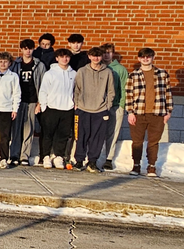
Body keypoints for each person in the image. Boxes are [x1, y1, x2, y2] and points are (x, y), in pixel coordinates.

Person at [125, 48, 173, 177]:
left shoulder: (162, 74)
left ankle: (151, 167)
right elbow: (128, 95)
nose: (145, 59)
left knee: (153, 142)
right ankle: (136, 166)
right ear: (139, 58)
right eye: (143, 57)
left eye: (148, 57)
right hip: (138, 113)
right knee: (137, 142)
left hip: (157, 113)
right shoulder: (133, 75)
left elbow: (168, 93)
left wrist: (169, 111)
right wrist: (130, 112)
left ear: (153, 58)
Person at [73, 47, 115, 173]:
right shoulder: (82, 71)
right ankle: (79, 161)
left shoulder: (107, 72)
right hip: (83, 109)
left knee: (97, 138)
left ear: (101, 57)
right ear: (89, 57)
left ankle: (92, 162)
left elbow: (111, 91)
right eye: (93, 56)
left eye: (98, 56)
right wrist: (77, 103)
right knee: (81, 136)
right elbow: (77, 89)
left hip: (100, 111)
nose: (96, 58)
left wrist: (107, 106)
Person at [36, 48, 76, 169]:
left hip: (67, 109)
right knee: (47, 134)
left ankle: (59, 156)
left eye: (67, 57)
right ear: (57, 58)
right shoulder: (50, 73)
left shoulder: (74, 74)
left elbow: (76, 90)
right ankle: (45, 156)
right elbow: (43, 91)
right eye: (62, 57)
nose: (65, 59)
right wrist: (43, 106)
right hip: (51, 108)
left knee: (63, 135)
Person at [9, 39, 46, 165]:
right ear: (21, 49)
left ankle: (24, 155)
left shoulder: (39, 65)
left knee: (28, 129)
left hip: (32, 100)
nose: (27, 51)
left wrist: (40, 103)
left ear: (33, 49)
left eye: (30, 48)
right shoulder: (15, 64)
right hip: (18, 101)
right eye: (25, 48)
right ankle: (14, 154)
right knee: (16, 129)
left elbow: (43, 85)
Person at [101, 43, 129, 170]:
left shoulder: (120, 69)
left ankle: (109, 158)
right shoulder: (97, 66)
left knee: (113, 132)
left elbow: (124, 89)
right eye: (104, 52)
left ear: (113, 53)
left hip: (116, 105)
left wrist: (122, 105)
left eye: (109, 52)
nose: (107, 55)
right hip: (99, 106)